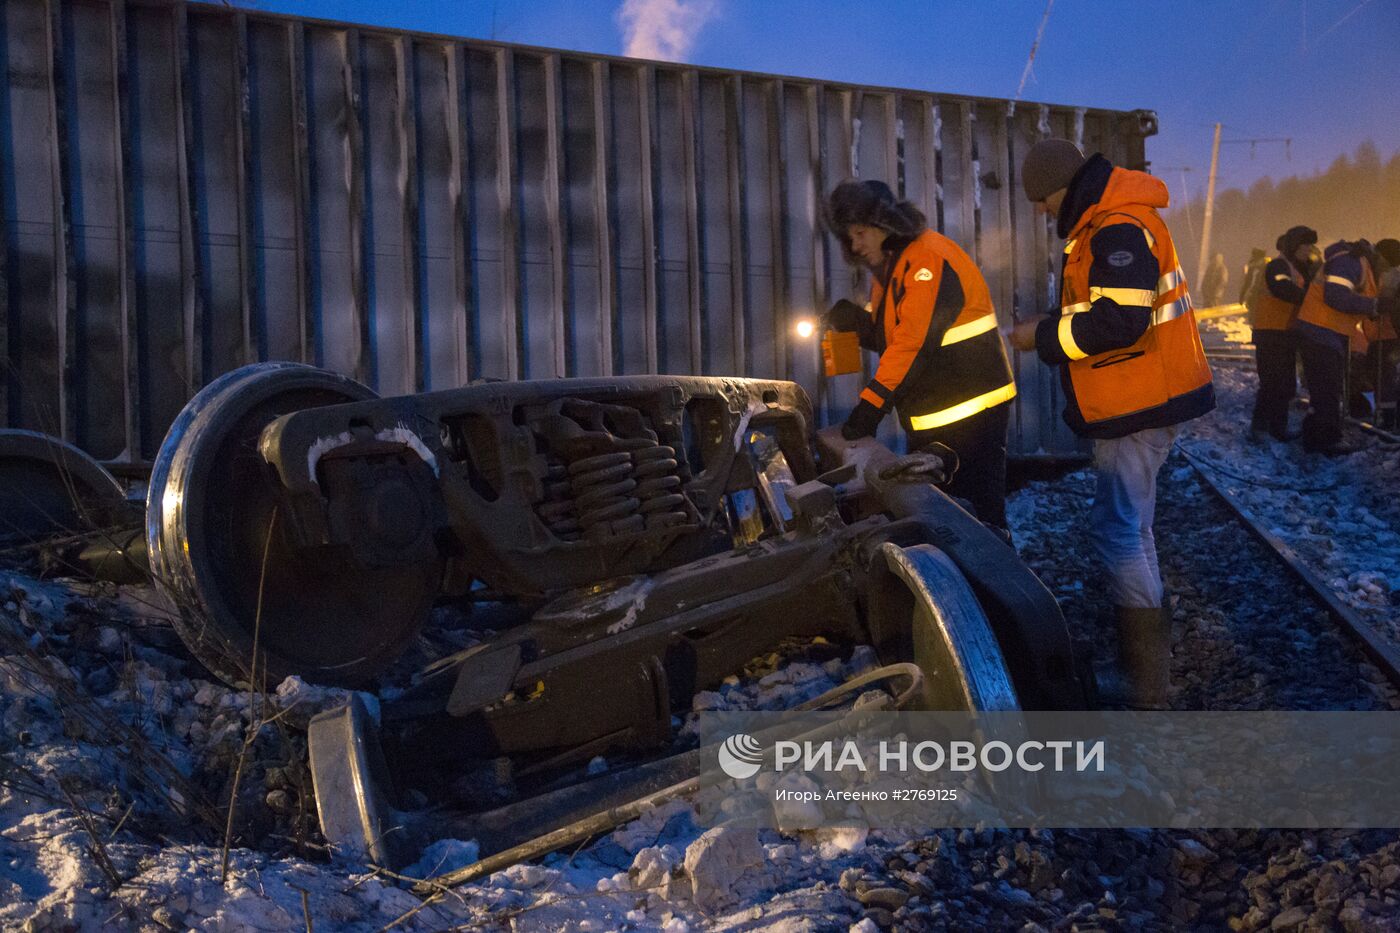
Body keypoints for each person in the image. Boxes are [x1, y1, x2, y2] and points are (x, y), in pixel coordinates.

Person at [1007, 140, 1214, 709]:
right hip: (1137, 400)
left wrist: (1041, 338)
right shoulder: (1110, 221)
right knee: (1131, 528)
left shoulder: (1115, 226)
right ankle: (1148, 670)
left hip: (1136, 404)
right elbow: (1108, 308)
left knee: (1119, 531)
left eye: (1040, 200)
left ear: (1057, 188)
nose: (1040, 211)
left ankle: (1144, 683)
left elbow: (1121, 321)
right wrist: (1053, 323)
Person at [822, 179, 1017, 530]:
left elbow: (912, 345)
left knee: (979, 519)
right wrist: (855, 323)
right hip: (936, 415)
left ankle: (1002, 584)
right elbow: (897, 338)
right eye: (849, 236)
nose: (855, 244)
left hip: (970, 416)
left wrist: (869, 410)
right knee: (946, 518)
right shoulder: (895, 268)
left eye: (861, 232)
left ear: (884, 224)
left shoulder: (927, 259)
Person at [1294, 239, 1400, 453]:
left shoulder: (1362, 267)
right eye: (1389, 268)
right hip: (1320, 329)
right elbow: (1335, 296)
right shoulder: (1351, 262)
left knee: (1326, 388)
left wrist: (1373, 308)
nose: (1388, 275)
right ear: (1382, 259)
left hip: (1329, 332)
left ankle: (1315, 436)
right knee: (1328, 387)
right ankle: (1327, 440)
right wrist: (1374, 305)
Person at [1248, 226, 1317, 442]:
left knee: (1285, 384)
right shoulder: (1278, 266)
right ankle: (1263, 427)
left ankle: (1275, 426)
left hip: (1285, 333)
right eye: (1305, 244)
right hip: (1271, 332)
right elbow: (1282, 289)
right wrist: (1311, 301)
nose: (1309, 249)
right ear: (1294, 246)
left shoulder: (1296, 267)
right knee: (1272, 383)